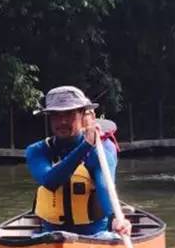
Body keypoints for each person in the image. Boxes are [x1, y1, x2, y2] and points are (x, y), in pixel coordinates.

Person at [26, 86, 131, 237]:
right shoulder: (37, 151)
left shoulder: (102, 149)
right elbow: (50, 181)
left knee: (109, 236)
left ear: (82, 115)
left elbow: (104, 186)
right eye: (55, 115)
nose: (62, 121)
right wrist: (86, 145)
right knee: (41, 238)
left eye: (69, 114)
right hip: (51, 235)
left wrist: (116, 219)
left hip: (95, 235)